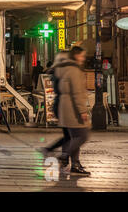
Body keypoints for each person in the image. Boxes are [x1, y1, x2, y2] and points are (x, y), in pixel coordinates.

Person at [55, 46, 91, 176]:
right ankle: (64, 157)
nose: (84, 58)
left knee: (72, 137)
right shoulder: (75, 70)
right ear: (76, 56)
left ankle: (75, 164)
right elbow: (77, 93)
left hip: (65, 107)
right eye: (82, 55)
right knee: (82, 136)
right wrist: (82, 110)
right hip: (73, 109)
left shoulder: (65, 68)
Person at [37, 52, 70, 158]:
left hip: (60, 105)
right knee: (70, 135)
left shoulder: (56, 71)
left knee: (68, 135)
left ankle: (63, 156)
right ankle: (52, 151)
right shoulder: (61, 72)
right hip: (63, 106)